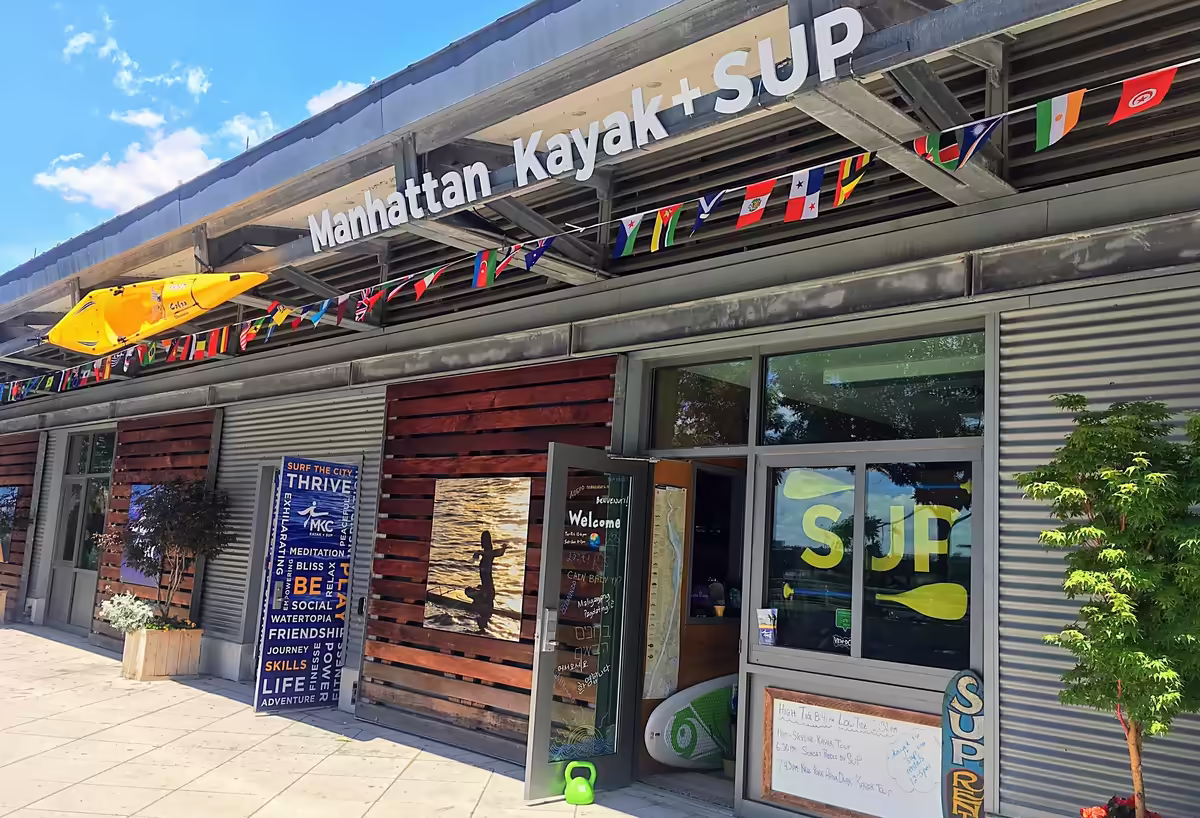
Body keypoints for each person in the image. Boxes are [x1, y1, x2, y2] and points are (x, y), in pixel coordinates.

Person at [466, 530, 508, 608]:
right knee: (470, 589)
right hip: (486, 591)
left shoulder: (489, 554)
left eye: (483, 541)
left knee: (468, 591)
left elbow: (497, 553)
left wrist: (504, 548)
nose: (482, 542)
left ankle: (482, 601)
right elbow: (495, 553)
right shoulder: (486, 555)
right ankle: (480, 600)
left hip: (488, 593)